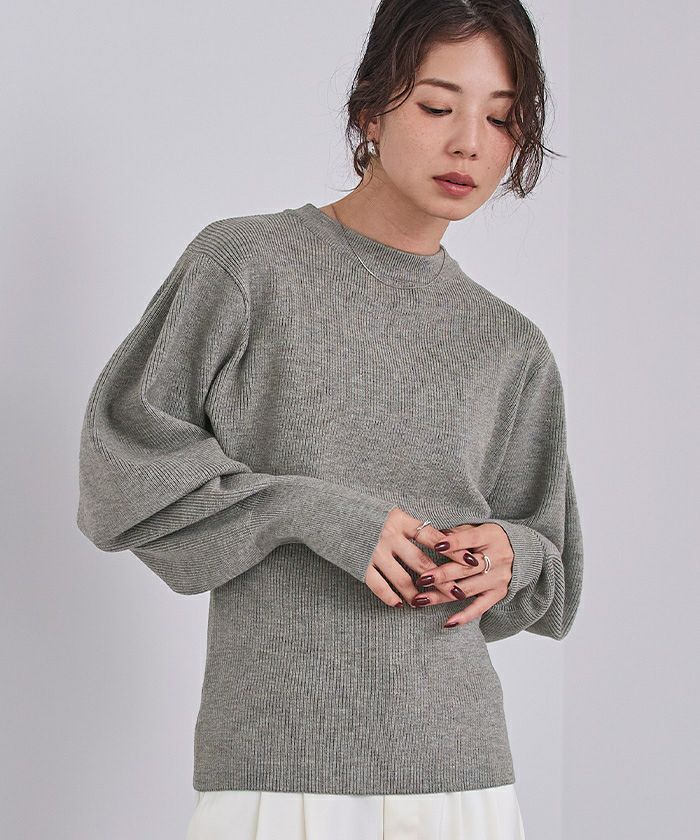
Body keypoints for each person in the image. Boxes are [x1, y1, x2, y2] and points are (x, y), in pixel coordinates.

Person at [75, 1, 584, 837]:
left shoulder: (509, 344)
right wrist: (307, 510)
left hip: (459, 775)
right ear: (370, 109)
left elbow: (554, 568)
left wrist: (510, 552)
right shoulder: (245, 266)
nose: (469, 143)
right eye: (437, 106)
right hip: (277, 768)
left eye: (501, 119)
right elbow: (119, 468)